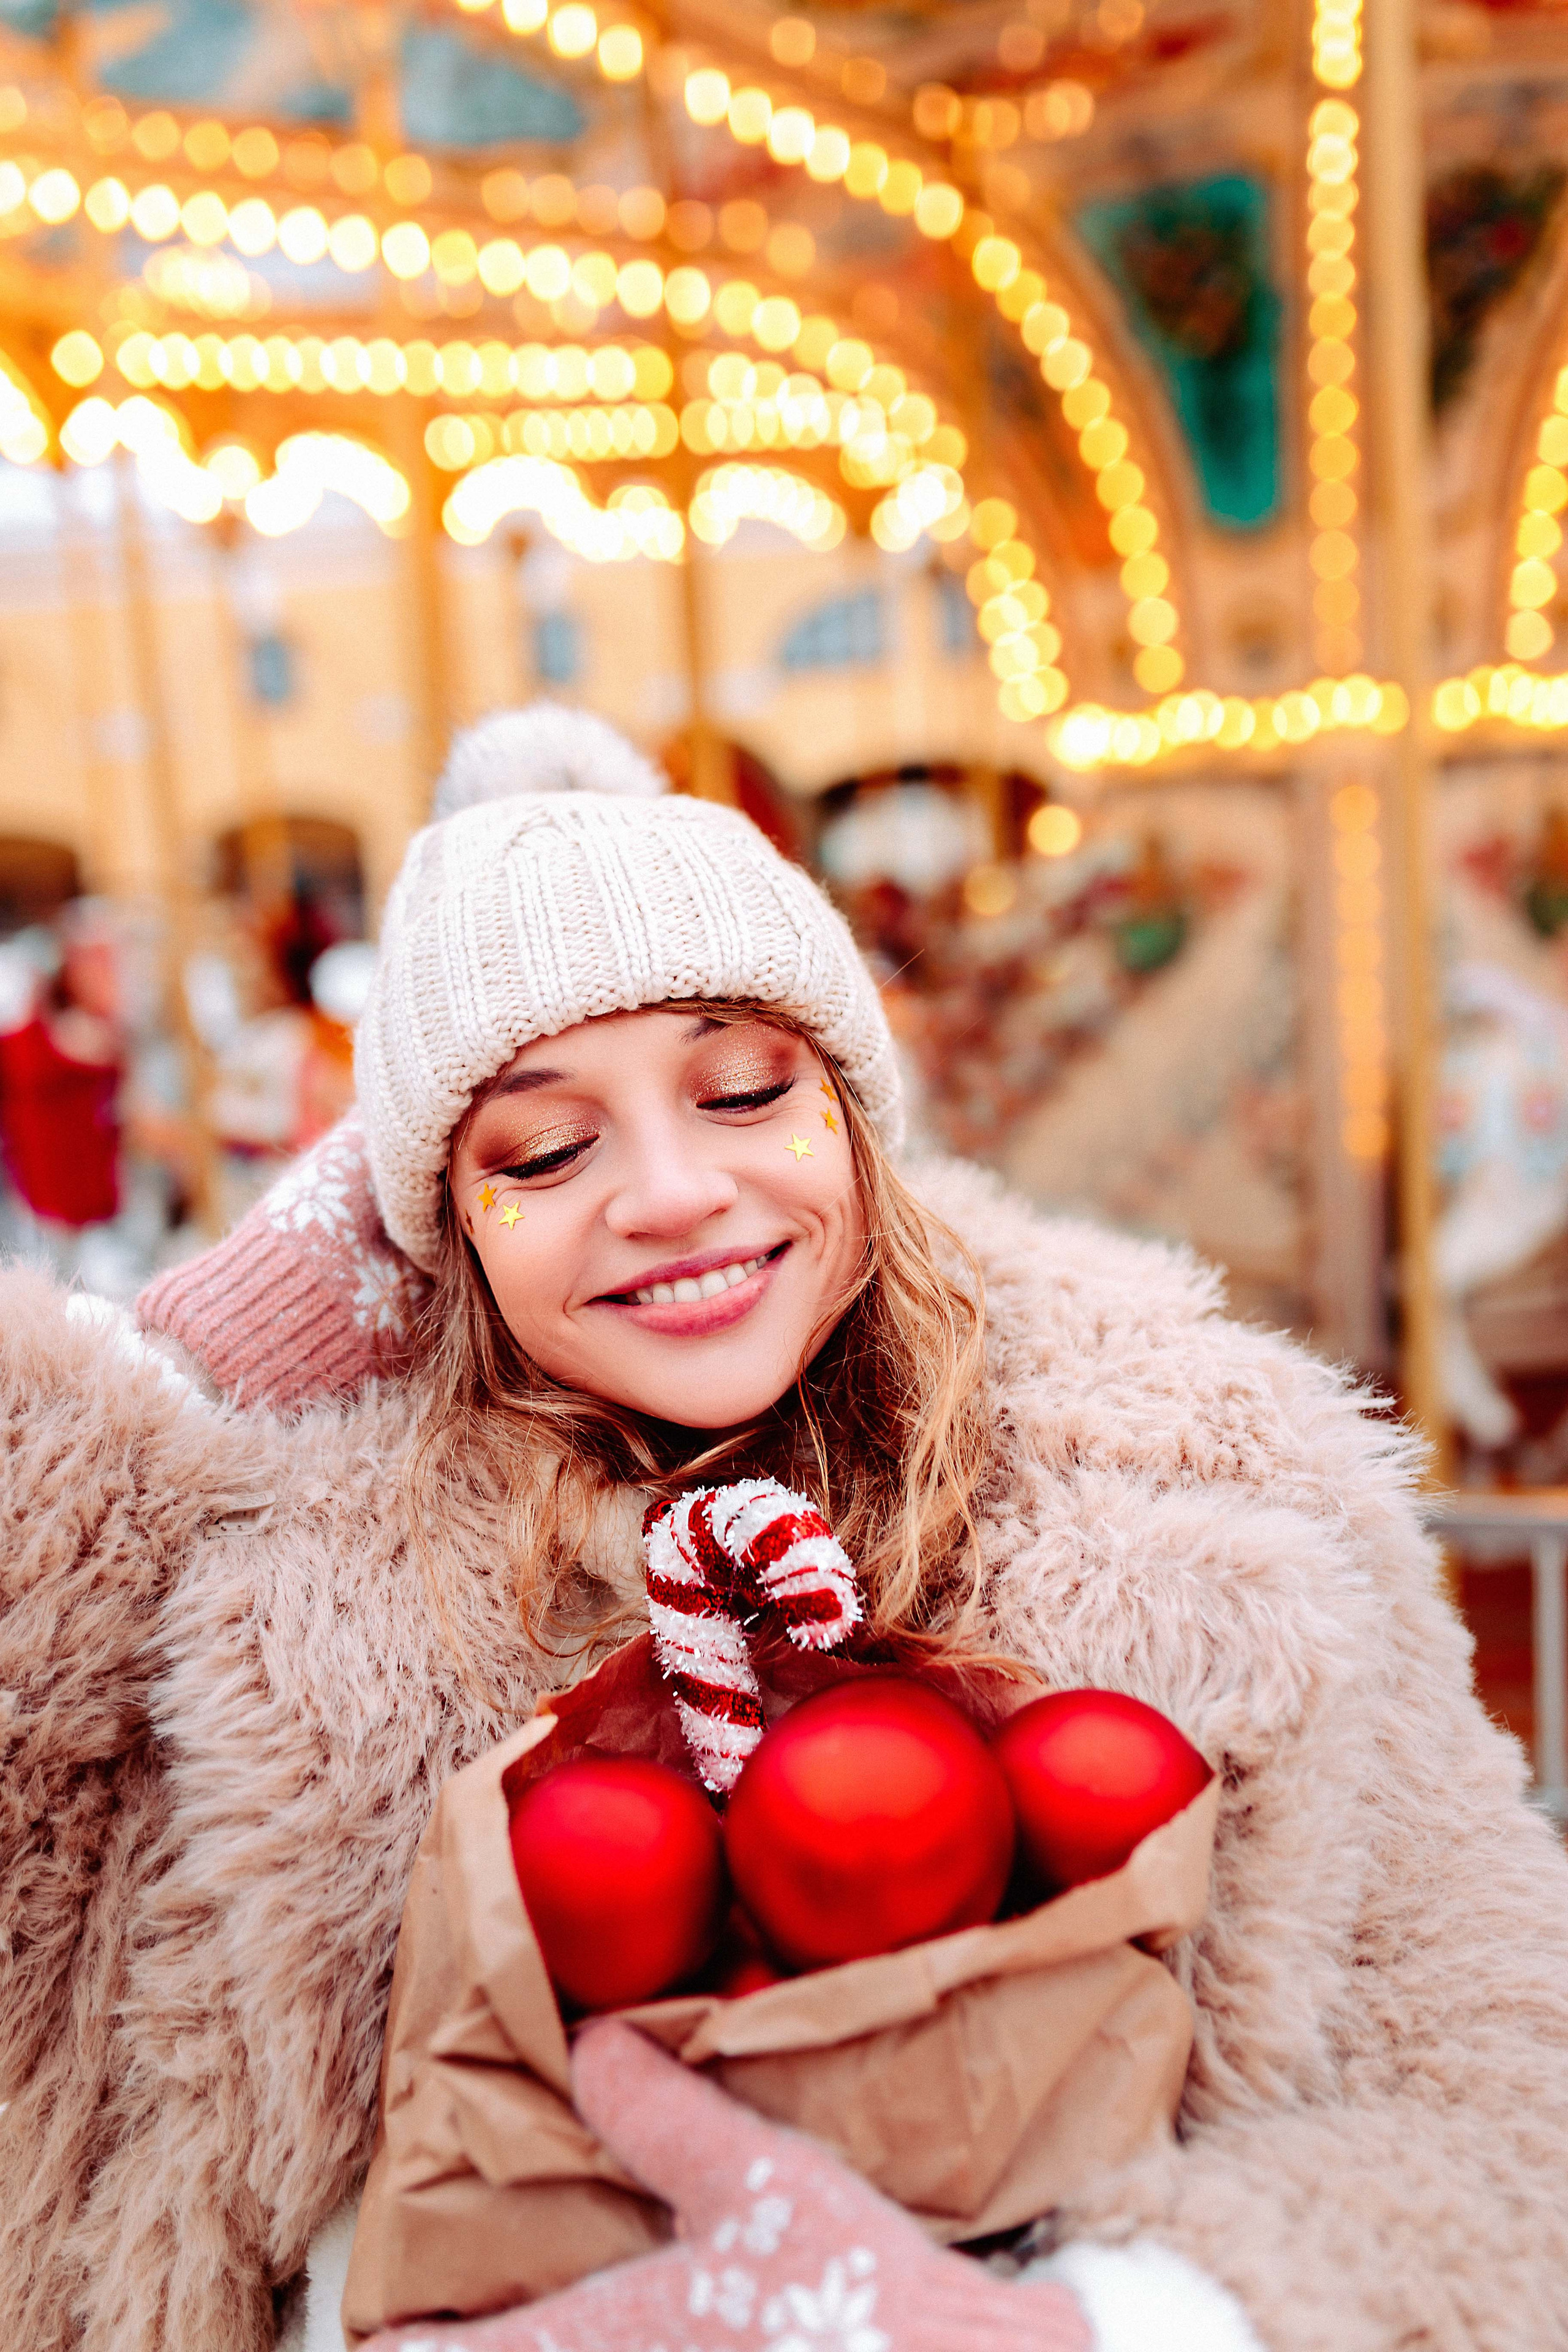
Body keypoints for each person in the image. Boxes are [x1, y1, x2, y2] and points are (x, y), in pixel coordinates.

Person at [4, 704, 1567, 2352]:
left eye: (744, 1089)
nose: (672, 1190)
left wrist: (1126, 2320)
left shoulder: (1228, 1485)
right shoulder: (284, 1610)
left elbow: (1502, 2075)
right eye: (541, 1145)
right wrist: (193, 1350)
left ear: (852, 1112)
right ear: (441, 1223)